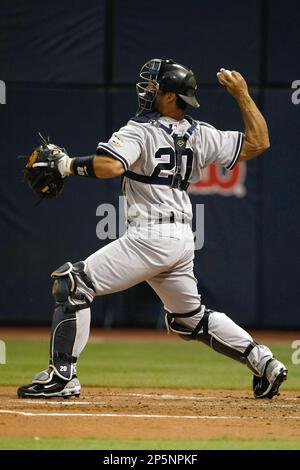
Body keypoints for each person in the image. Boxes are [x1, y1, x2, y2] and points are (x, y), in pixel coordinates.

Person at [18, 59, 287, 400]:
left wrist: (67, 165)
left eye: (154, 88)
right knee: (189, 318)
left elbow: (111, 165)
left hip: (149, 236)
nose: (147, 92)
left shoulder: (139, 129)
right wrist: (243, 95)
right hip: (180, 239)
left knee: (72, 284)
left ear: (171, 96)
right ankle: (262, 360)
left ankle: (62, 376)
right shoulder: (200, 133)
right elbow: (258, 142)